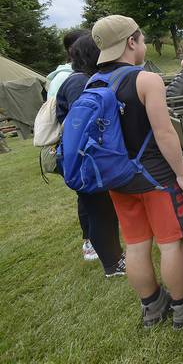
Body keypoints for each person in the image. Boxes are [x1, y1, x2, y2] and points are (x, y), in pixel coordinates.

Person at [91, 15, 183, 328]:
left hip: (118, 179)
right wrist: (182, 174)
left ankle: (152, 308)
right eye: (142, 38)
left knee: (136, 244)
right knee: (170, 242)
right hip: (155, 179)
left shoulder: (93, 82)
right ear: (131, 42)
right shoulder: (145, 79)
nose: (144, 44)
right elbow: (164, 134)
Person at [55, 35, 126, 277]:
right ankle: (112, 264)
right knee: (99, 212)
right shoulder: (79, 83)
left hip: (84, 157)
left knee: (101, 210)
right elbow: (86, 124)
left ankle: (114, 259)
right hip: (82, 159)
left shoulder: (83, 80)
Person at [45, 28, 99, 261]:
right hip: (78, 152)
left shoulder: (78, 78)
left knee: (92, 198)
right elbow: (80, 121)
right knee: (88, 198)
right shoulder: (76, 81)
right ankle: (91, 243)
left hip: (78, 150)